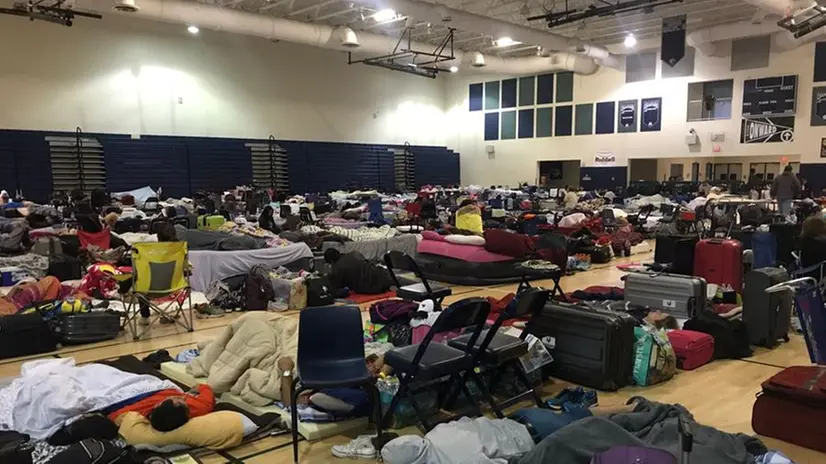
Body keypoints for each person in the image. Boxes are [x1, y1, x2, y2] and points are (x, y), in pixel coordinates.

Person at [104, 383, 216, 431]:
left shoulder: (140, 412)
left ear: (159, 405)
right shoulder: (201, 407)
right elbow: (206, 388)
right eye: (182, 400)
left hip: (147, 390)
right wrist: (198, 388)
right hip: (158, 387)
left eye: (177, 400)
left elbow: (113, 418)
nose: (182, 398)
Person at [324, 248, 393, 295]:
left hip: (370, 289)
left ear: (331, 261)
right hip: (382, 276)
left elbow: (338, 287)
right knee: (396, 279)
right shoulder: (355, 253)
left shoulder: (336, 268)